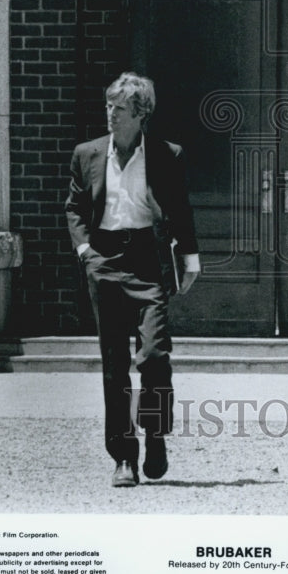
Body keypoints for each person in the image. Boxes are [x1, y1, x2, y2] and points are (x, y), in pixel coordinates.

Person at [65, 72, 200, 487]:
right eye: (108, 106)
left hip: (148, 261)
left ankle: (155, 434)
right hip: (104, 260)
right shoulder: (87, 154)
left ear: (140, 114)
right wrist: (86, 251)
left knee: (155, 356)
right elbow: (74, 206)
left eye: (119, 108)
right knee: (114, 366)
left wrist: (190, 259)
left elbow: (179, 207)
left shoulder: (165, 154)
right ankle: (124, 457)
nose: (110, 114)